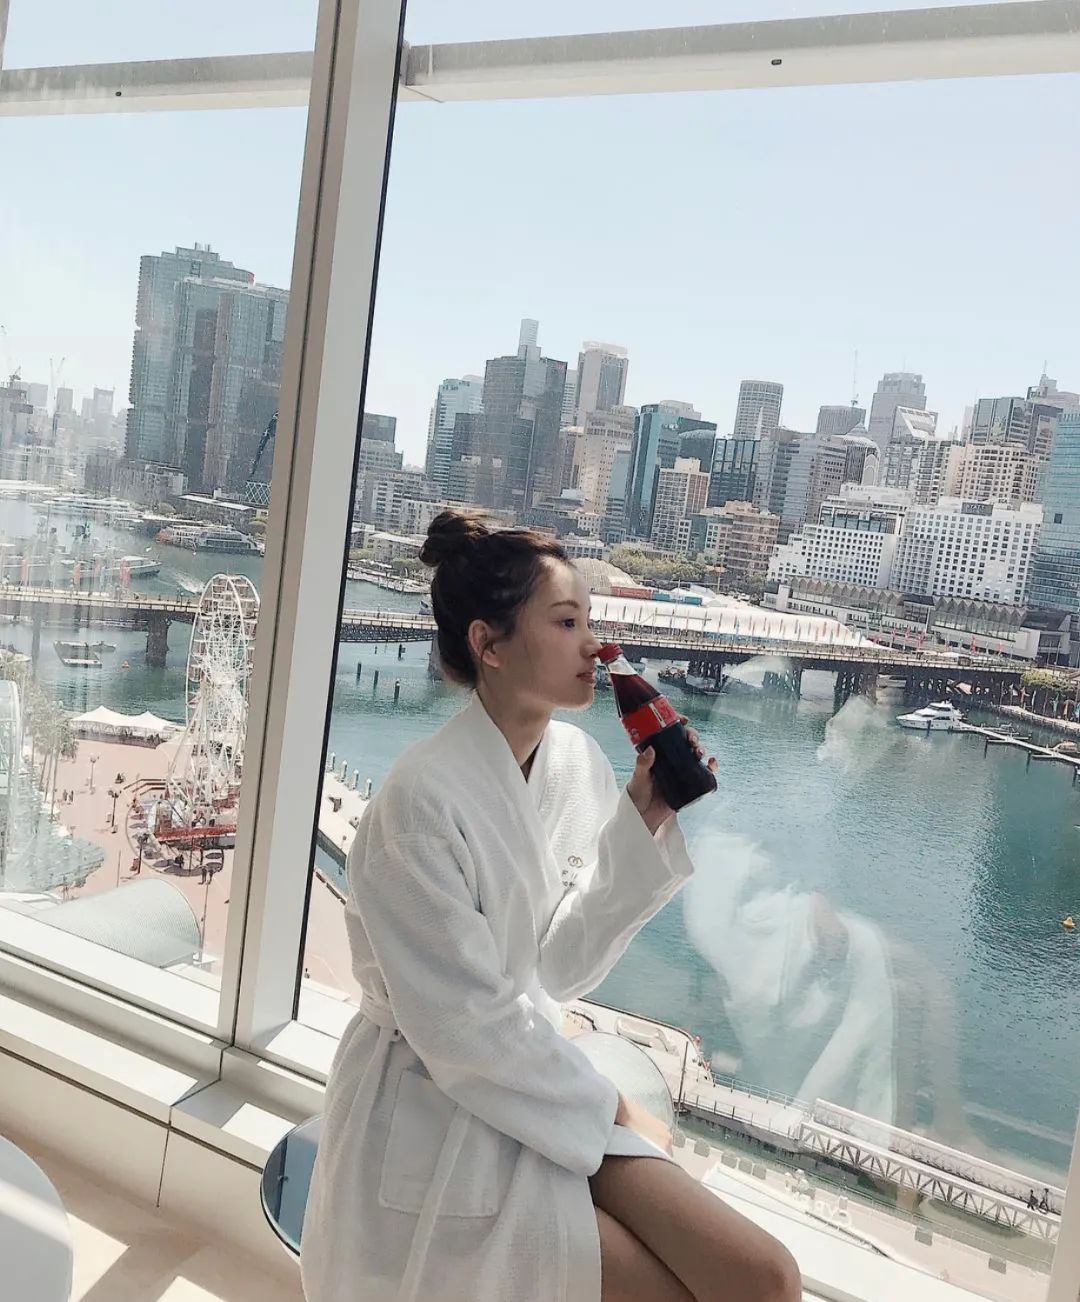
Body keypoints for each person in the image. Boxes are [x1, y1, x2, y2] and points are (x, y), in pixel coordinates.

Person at [301, 510, 800, 1302]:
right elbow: (467, 1032)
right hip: (439, 1105)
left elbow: (560, 968)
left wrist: (644, 817)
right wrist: (616, 1111)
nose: (595, 645)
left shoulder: (572, 762)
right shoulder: (419, 802)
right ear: (489, 644)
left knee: (765, 1276)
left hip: (535, 1086)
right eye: (567, 622)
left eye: (591, 622)